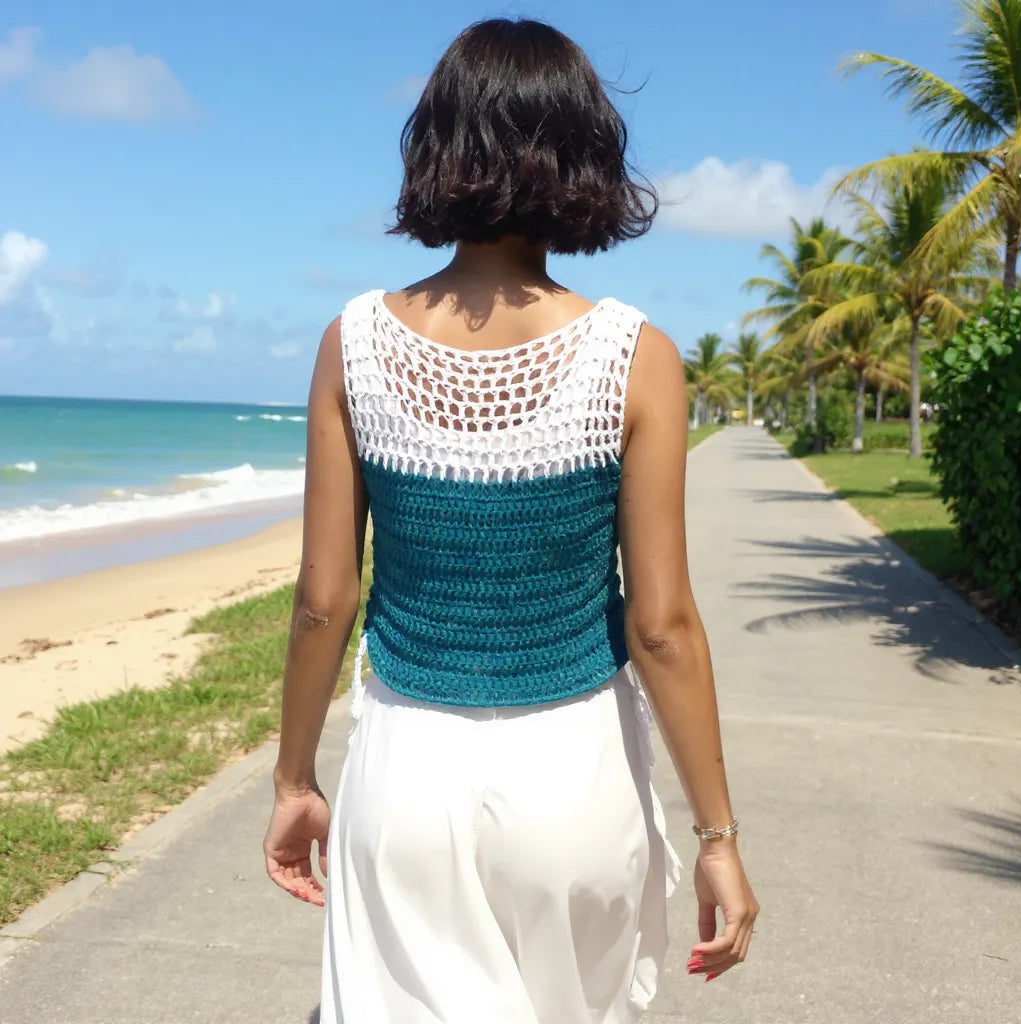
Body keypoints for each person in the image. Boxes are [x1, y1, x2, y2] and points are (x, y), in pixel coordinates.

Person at [263, 17, 758, 1023]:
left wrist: (292, 776)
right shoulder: (637, 354)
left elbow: (326, 599)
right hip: (575, 776)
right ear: (584, 154)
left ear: (436, 146)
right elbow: (659, 626)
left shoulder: (350, 341)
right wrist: (717, 836)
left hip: (404, 769)